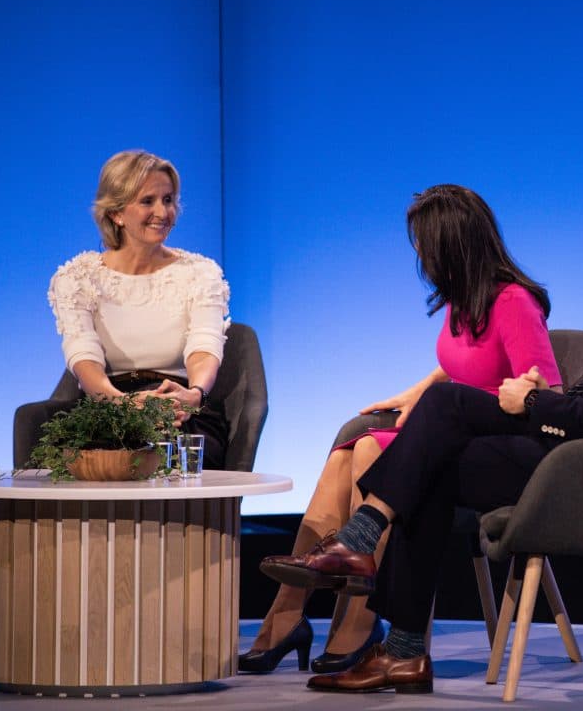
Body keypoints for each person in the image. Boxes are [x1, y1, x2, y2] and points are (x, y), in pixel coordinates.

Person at [261, 177, 583, 695]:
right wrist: (541, 400)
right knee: (430, 457)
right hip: (575, 449)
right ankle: (402, 651)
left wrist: (537, 402)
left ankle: (362, 548)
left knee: (442, 414)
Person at [240, 184, 562, 675]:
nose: (418, 252)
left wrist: (448, 399)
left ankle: (358, 618)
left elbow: (548, 395)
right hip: (453, 435)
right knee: (348, 446)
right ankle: (286, 615)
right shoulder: (463, 299)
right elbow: (465, 365)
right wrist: (423, 388)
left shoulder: (514, 301)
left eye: (423, 241)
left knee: (371, 449)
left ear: (451, 243)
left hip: (498, 452)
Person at [45, 149, 230, 464]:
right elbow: (83, 357)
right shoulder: (77, 278)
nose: (163, 211)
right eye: (148, 201)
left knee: (171, 446)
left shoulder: (201, 273)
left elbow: (205, 344)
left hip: (181, 407)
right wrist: (123, 406)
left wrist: (194, 394)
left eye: (168, 200)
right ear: (116, 213)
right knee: (98, 449)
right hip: (108, 405)